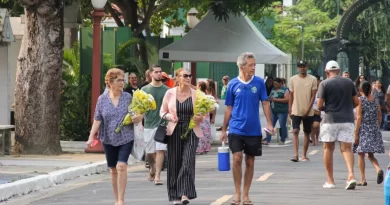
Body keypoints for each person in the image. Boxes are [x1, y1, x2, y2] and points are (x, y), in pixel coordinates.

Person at [220, 52, 273, 205]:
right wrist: (224, 129)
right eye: (251, 65)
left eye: (254, 65)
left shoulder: (259, 83)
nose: (253, 68)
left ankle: (245, 194)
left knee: (250, 161)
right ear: (242, 66)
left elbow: (265, 103)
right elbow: (228, 108)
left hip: (253, 129)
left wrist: (269, 123)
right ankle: (237, 193)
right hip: (236, 128)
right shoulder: (232, 84)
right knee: (237, 158)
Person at [86, 68, 143, 205]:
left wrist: (138, 117)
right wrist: (91, 136)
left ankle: (121, 201)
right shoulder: (102, 99)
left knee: (121, 166)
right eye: (118, 80)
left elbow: (138, 113)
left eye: (123, 80)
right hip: (108, 138)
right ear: (110, 82)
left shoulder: (128, 97)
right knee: (113, 169)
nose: (122, 83)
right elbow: (98, 119)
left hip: (126, 137)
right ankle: (116, 198)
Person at [160, 68, 204, 205]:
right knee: (174, 163)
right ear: (177, 78)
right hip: (174, 130)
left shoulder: (197, 94)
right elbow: (162, 112)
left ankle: (184, 193)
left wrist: (199, 117)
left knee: (187, 161)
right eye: (185, 75)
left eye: (190, 75)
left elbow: (203, 113)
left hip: (191, 129)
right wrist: (169, 116)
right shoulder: (170, 93)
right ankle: (175, 195)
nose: (188, 78)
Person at [317, 60, 359, 190]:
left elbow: (319, 105)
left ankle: (330, 181)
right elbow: (356, 102)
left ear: (327, 71)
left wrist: (327, 109)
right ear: (339, 71)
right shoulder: (349, 82)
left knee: (328, 149)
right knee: (347, 149)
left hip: (330, 120)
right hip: (347, 119)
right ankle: (351, 176)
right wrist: (346, 108)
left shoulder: (324, 83)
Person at [141, 65, 169, 185]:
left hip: (163, 124)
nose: (159, 74)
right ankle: (152, 169)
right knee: (150, 153)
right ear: (151, 74)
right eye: (156, 72)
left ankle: (158, 175)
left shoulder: (167, 90)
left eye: (160, 72)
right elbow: (139, 108)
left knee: (160, 150)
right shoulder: (144, 90)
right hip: (148, 125)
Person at [354, 81, 384, 186]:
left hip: (364, 128)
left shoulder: (360, 100)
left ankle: (363, 179)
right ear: (370, 89)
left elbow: (359, 117)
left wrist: (356, 133)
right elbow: (379, 115)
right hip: (374, 128)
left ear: (360, 89)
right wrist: (377, 126)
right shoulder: (375, 100)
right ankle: (378, 169)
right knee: (371, 154)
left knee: (361, 154)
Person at [288, 60, 317, 162]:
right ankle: (295, 154)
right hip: (296, 109)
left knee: (306, 132)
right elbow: (291, 95)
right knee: (295, 131)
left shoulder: (312, 79)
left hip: (308, 111)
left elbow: (313, 96)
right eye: (300, 66)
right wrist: (290, 109)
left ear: (306, 67)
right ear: (297, 68)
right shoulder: (292, 79)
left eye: (303, 66)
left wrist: (308, 109)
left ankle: (304, 154)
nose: (302, 68)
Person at [263, 77, 289, 145]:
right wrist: (269, 98)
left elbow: (287, 99)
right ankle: (268, 139)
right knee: (271, 124)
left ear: (281, 83)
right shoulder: (273, 89)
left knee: (282, 125)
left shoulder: (285, 90)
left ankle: (282, 139)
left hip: (282, 111)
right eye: (274, 84)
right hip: (273, 110)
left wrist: (276, 100)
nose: (275, 85)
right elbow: (271, 96)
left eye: (276, 84)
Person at [196, 81, 212, 154]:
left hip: (200, 115)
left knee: (200, 133)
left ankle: (200, 149)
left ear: (199, 87)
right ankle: (206, 148)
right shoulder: (208, 96)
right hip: (206, 117)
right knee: (206, 133)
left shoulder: (198, 95)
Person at [311, 75, 322, 146]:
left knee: (316, 125)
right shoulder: (310, 89)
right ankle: (313, 139)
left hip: (318, 110)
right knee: (311, 126)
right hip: (310, 110)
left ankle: (317, 137)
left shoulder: (321, 90)